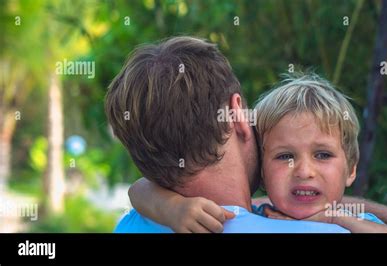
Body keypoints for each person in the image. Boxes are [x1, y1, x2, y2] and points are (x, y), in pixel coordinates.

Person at [106, 36, 348, 233]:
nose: (304, 171)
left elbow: (139, 188)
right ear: (237, 115)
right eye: (284, 155)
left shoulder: (130, 223)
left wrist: (170, 206)